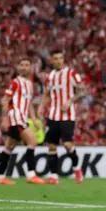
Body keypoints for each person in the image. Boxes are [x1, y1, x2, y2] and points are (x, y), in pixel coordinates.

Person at [0, 58, 44, 185]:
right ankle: (31, 174)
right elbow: (5, 100)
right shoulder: (15, 82)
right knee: (32, 141)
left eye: (27, 65)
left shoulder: (29, 84)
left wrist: (34, 119)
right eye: (21, 65)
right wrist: (5, 118)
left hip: (23, 117)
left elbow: (29, 104)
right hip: (16, 116)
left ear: (30, 68)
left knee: (9, 147)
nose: (24, 67)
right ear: (18, 67)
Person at [40, 51, 86, 185]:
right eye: (56, 58)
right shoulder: (50, 76)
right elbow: (47, 94)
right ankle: (54, 176)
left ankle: (77, 168)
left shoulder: (71, 73)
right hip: (53, 115)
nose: (59, 61)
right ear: (51, 60)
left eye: (61, 58)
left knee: (67, 144)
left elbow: (82, 91)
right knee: (52, 146)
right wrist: (41, 107)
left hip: (67, 116)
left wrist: (70, 101)